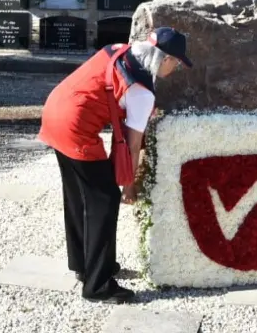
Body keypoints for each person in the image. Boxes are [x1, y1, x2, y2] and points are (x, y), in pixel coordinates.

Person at [37, 27, 193, 303]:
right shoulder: (141, 92)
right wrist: (129, 185)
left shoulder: (120, 50)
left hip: (54, 110)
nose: (176, 68)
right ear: (165, 59)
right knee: (105, 201)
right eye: (177, 63)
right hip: (75, 128)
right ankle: (98, 286)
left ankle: (84, 264)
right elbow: (132, 145)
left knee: (78, 196)